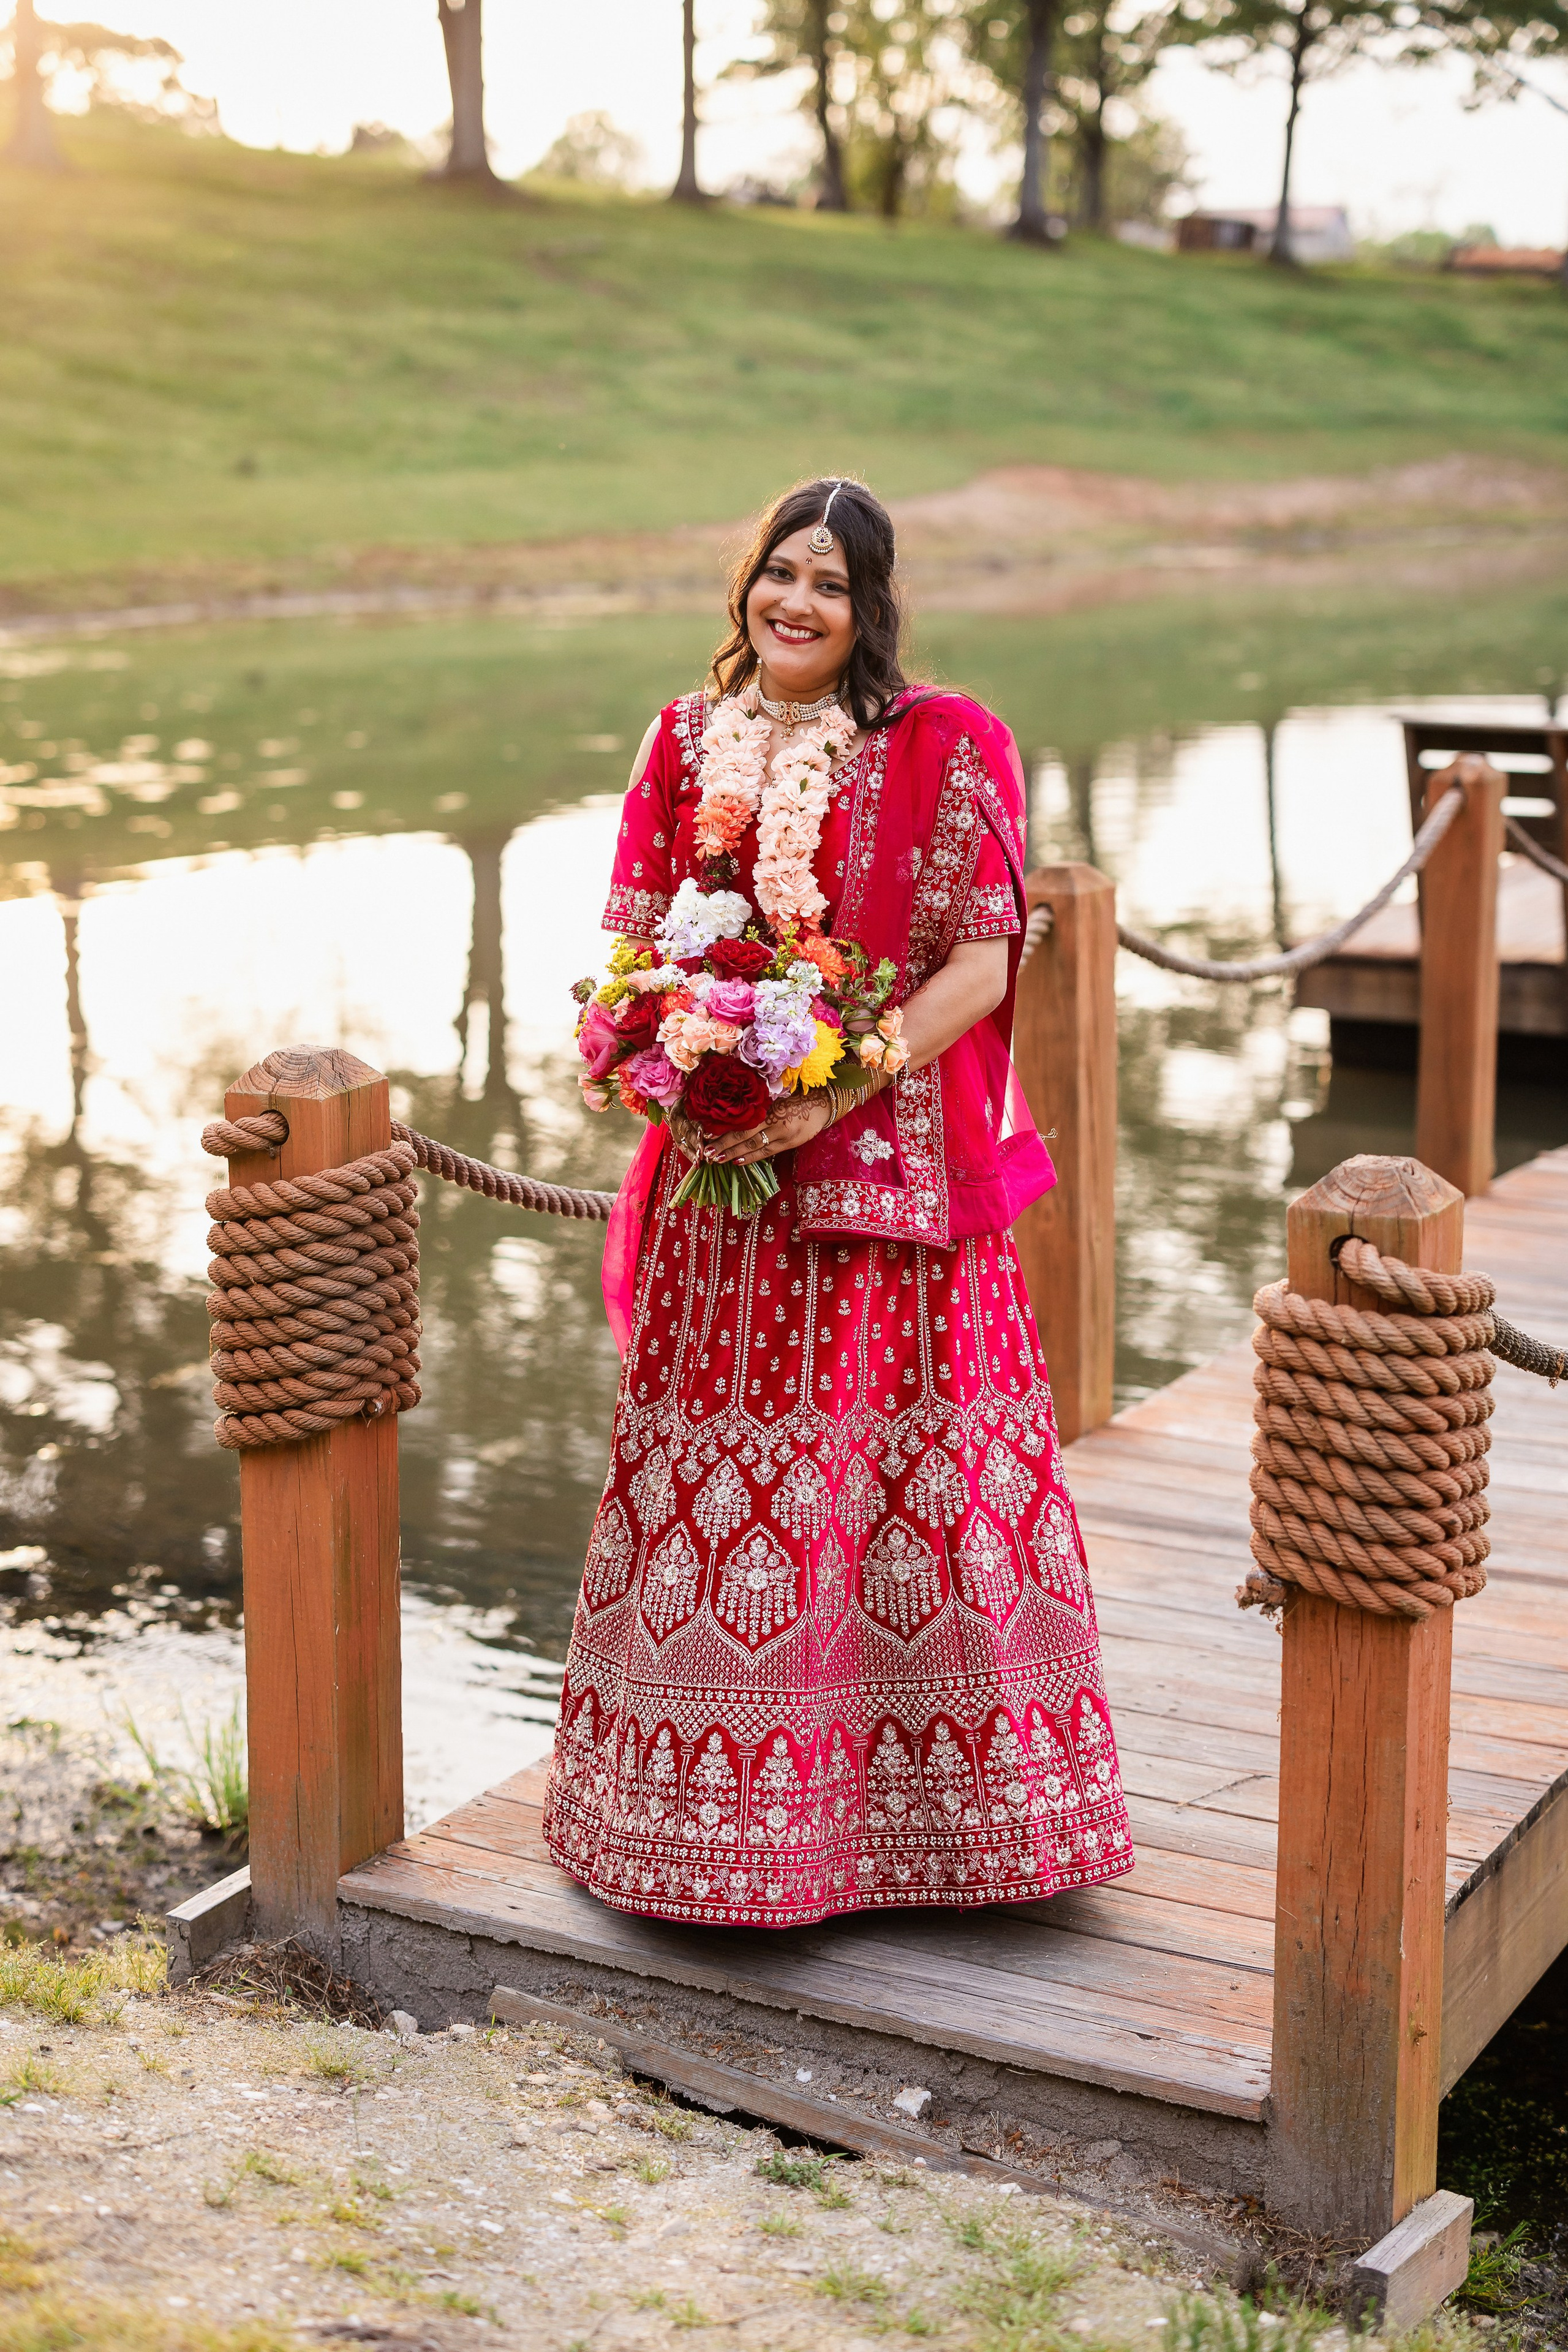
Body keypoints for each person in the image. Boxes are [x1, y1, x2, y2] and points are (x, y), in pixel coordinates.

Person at [543, 476, 1132, 1928]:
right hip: (720, 1183)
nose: (796, 604)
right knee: (729, 1488)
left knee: (895, 1480)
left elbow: (981, 968)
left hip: (893, 1191)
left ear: (870, 611)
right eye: (778, 574)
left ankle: (959, 1835)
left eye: (830, 584)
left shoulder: (944, 741)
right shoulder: (683, 740)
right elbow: (628, 942)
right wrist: (660, 1057)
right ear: (745, 586)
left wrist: (835, 1080)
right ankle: (690, 1828)